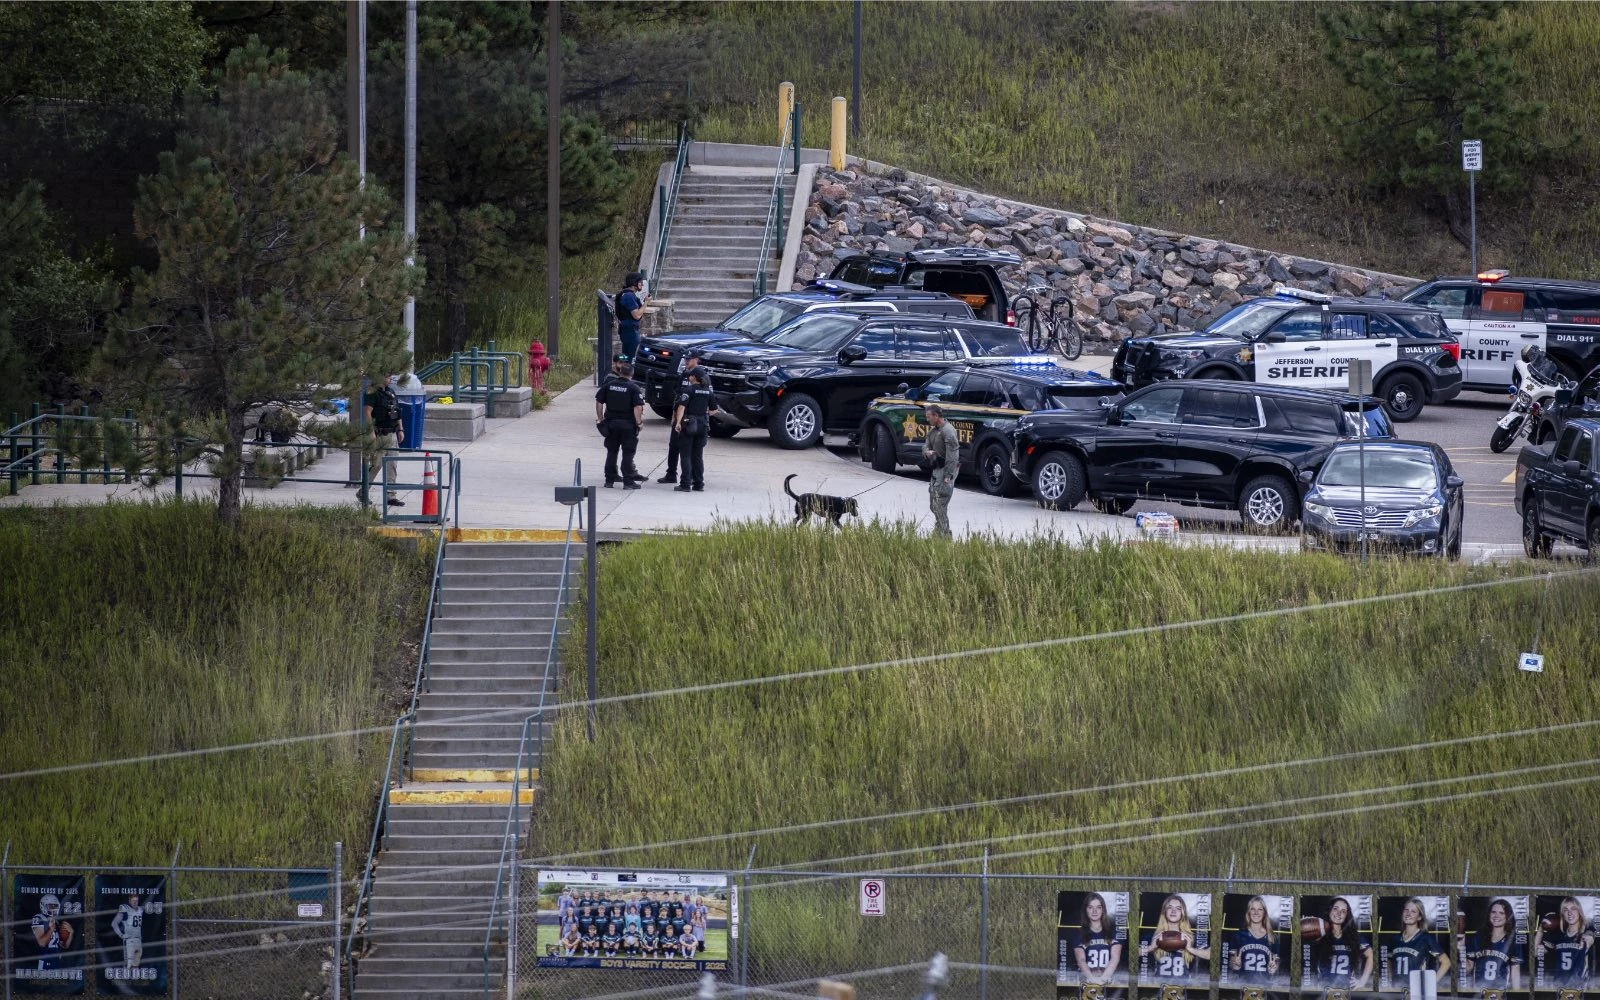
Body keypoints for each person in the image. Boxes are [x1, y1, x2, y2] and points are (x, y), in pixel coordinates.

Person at [658, 350, 710, 484]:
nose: (687, 361)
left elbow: (708, 399)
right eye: (686, 359)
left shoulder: (702, 375)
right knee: (673, 445)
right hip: (680, 414)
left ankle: (691, 476)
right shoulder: (684, 374)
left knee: (691, 450)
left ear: (696, 359)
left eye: (690, 359)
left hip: (692, 418)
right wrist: (674, 415)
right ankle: (671, 473)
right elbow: (678, 395)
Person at [596, 362, 646, 488]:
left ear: (619, 372)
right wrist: (639, 423)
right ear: (632, 373)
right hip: (628, 426)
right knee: (628, 453)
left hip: (611, 424)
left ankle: (609, 480)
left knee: (612, 452)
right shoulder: (634, 388)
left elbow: (599, 402)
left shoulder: (609, 385)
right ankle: (628, 482)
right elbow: (638, 407)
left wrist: (601, 419)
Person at [1140, 894, 1211, 983]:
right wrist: (1150, 947)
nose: (1173, 911)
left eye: (1178, 908)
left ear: (1183, 913)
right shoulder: (1154, 935)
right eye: (1170, 907)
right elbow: (1132, 953)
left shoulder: (1190, 937)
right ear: (1164, 911)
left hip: (1182, 988)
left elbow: (1210, 954)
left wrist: (1190, 949)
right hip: (1158, 987)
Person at [1459, 898, 1523, 992]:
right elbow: (1467, 969)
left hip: (1501, 993)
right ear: (1489, 914)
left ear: (1508, 916)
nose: (1496, 915)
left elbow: (1515, 973)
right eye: (1493, 912)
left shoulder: (1512, 941)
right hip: (1479, 992)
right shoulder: (1477, 937)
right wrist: (1461, 949)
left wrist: (1517, 994)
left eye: (1501, 913)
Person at [1310, 897, 1373, 991]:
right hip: (1324, 990)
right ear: (1329, 910)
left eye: (1343, 911)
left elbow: (1370, 955)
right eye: (1335, 909)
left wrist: (1362, 981)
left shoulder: (1353, 937)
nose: (1339, 913)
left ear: (1347, 915)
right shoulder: (1319, 934)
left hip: (1345, 992)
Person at [672, 367, 718, 492]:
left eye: (690, 376)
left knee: (686, 455)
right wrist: (704, 413)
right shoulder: (708, 392)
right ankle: (699, 483)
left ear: (694, 377)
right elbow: (714, 410)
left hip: (689, 423)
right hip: (702, 424)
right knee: (698, 456)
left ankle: (685, 484)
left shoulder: (689, 390)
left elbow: (681, 407)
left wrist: (678, 422)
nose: (689, 378)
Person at [362, 374, 404, 506]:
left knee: (392, 465)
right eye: (386, 376)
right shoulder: (372, 392)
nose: (389, 378)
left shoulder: (390, 392)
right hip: (379, 433)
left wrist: (400, 429)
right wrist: (370, 432)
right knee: (376, 464)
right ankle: (363, 492)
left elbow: (397, 412)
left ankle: (390, 496)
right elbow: (367, 412)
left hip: (392, 433)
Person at [1388, 897, 1450, 984]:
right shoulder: (1396, 939)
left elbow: (1446, 962)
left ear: (1419, 917)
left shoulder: (1425, 938)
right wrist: (1391, 979)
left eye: (1413, 911)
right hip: (1396, 990)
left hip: (1416, 991)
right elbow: (1389, 960)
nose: (1408, 914)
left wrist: (1430, 985)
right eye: (1406, 910)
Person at [1535, 897, 1592, 989]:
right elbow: (1535, 953)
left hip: (1580, 988)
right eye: (1565, 910)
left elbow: (1590, 936)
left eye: (1573, 909)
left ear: (1579, 912)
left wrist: (1589, 937)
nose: (1570, 913)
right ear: (1562, 915)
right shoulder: (1558, 936)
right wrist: (1541, 929)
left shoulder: (1586, 933)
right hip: (1559, 986)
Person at [923, 404, 960, 539]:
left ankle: (945, 536)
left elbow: (953, 455)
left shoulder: (948, 431)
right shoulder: (933, 431)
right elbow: (925, 446)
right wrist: (927, 452)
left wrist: (948, 475)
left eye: (929, 417)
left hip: (945, 470)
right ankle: (940, 532)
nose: (927, 420)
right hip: (936, 469)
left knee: (940, 504)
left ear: (936, 416)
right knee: (934, 504)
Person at [1230, 895, 1281, 985]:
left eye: (1260, 909)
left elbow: (1276, 963)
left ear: (1264, 913)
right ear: (1248, 912)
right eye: (1253, 909)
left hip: (1265, 985)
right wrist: (1235, 965)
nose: (1256, 912)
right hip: (1242, 984)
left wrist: (1273, 968)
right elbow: (1231, 963)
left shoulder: (1273, 937)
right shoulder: (1239, 935)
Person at [1075, 892, 1123, 988]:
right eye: (1090, 907)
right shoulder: (1079, 934)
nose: (1094, 911)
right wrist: (1093, 980)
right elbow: (1081, 960)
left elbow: (1115, 958)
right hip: (1087, 981)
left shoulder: (1114, 933)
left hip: (1109, 982)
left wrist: (1102, 980)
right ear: (1086, 910)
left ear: (1103, 910)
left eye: (1098, 907)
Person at [31, 893, 72, 971]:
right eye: (51, 906)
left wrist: (71, 933)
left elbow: (64, 946)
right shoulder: (39, 918)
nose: (53, 909)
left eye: (55, 906)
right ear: (43, 906)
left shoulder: (55, 921)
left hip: (56, 960)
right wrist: (51, 929)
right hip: (45, 960)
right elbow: (42, 943)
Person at [615, 272, 650, 361]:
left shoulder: (626, 294)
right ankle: (626, 371)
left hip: (627, 331)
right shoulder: (629, 296)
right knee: (631, 358)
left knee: (626, 357)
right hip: (630, 332)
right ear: (634, 283)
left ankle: (621, 368)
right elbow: (637, 315)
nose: (642, 284)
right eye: (640, 282)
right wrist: (646, 302)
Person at [111, 892, 145, 971]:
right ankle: (126, 981)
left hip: (138, 940)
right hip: (130, 940)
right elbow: (114, 923)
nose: (135, 902)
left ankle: (134, 982)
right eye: (133, 901)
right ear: (129, 901)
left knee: (136, 965)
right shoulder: (125, 909)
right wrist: (121, 935)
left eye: (136, 900)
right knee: (128, 965)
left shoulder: (140, 910)